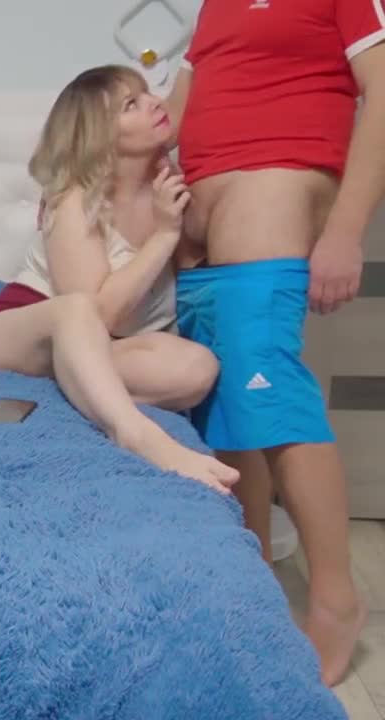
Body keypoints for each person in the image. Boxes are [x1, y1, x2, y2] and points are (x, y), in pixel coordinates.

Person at [161, 0, 384, 687]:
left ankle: (336, 599)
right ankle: (251, 579)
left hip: (277, 188)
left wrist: (345, 230)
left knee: (267, 386)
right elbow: (178, 110)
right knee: (222, 406)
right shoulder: (213, 6)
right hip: (200, 218)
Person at [0, 64, 241, 494]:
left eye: (148, 93)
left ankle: (78, 386)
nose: (154, 103)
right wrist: (164, 235)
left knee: (198, 368)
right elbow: (100, 313)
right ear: (101, 135)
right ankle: (133, 433)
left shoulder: (172, 185)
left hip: (106, 349)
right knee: (78, 308)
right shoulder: (75, 200)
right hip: (23, 335)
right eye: (131, 104)